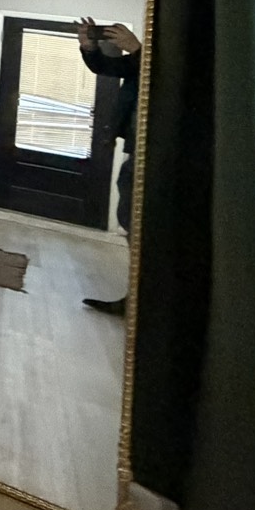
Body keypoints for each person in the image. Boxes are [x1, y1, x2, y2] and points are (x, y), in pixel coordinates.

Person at [75, 17, 141, 315]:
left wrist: (137, 49)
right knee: (129, 219)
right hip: (136, 148)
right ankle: (136, 298)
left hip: (152, 150)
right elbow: (109, 68)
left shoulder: (153, 59)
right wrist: (89, 48)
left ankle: (139, 300)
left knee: (135, 221)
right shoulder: (141, 60)